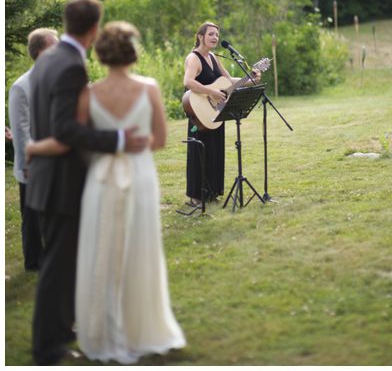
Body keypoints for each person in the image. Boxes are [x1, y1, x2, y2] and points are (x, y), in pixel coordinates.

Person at [27, 22, 186, 363]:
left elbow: (76, 140)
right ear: (133, 51)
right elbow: (159, 141)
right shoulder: (150, 88)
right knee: (140, 250)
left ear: (100, 54)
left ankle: (102, 330)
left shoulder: (89, 93)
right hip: (140, 175)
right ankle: (142, 328)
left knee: (103, 252)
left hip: (100, 179)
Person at [8, 28, 58, 271]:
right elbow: (21, 131)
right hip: (33, 163)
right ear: (40, 52)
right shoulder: (21, 87)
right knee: (32, 215)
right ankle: (34, 262)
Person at [183, 22, 236, 206]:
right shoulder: (194, 58)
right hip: (199, 112)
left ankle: (212, 192)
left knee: (214, 150)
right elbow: (188, 81)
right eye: (211, 34)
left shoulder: (213, 57)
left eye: (217, 35)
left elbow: (229, 81)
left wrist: (251, 78)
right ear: (200, 36)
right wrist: (212, 92)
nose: (215, 38)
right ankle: (196, 196)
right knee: (199, 152)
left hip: (213, 112)